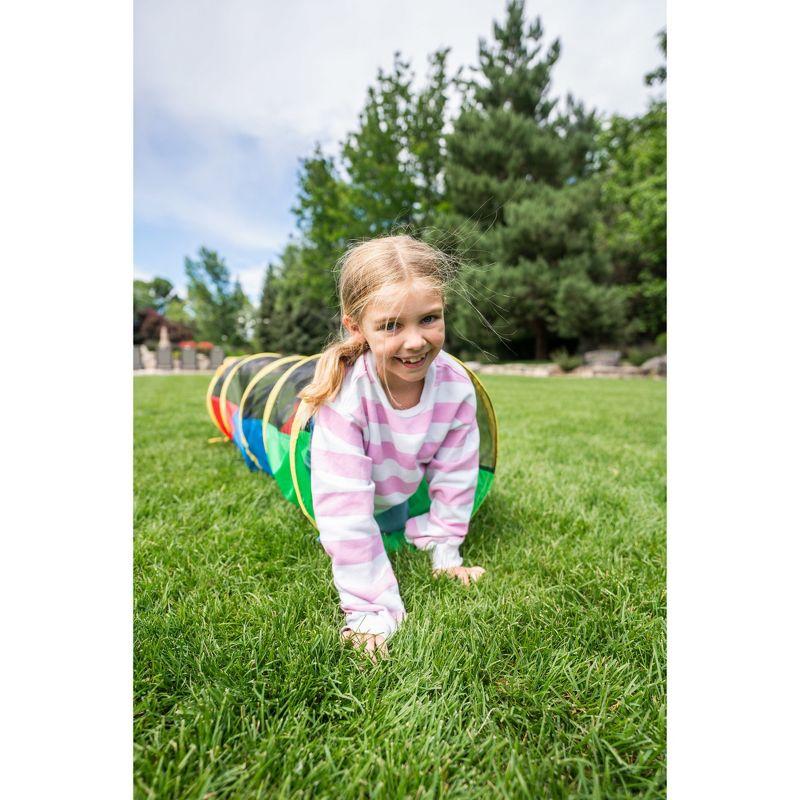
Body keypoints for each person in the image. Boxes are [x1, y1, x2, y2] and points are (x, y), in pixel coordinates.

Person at [299, 235, 486, 662]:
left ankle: (417, 530)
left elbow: (457, 473)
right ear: (355, 327)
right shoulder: (347, 396)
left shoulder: (455, 387)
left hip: (396, 481)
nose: (416, 342)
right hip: (336, 475)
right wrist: (369, 613)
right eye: (390, 326)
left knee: (404, 507)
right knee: (350, 516)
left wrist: (445, 550)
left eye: (429, 319)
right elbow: (344, 511)